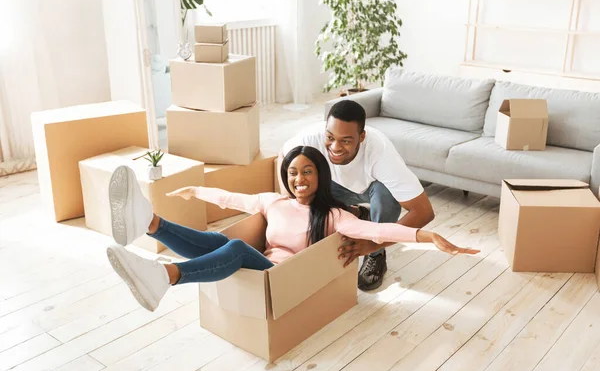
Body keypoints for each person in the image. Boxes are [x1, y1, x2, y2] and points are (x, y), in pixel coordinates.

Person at [106, 146, 478, 312]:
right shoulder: (274, 202)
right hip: (262, 266)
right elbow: (233, 199)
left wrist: (427, 235)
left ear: (320, 175)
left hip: (285, 280)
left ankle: (166, 276)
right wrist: (196, 190)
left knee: (233, 250)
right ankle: (150, 222)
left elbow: (378, 230)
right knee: (224, 241)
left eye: (307, 171)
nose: (298, 178)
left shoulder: (334, 216)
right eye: (292, 172)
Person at [279, 100, 435, 291]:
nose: (335, 147)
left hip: (371, 192)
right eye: (330, 137)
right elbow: (284, 156)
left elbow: (424, 212)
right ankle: (358, 214)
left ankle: (377, 256)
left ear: (361, 136)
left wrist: (372, 244)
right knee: (305, 180)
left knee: (386, 192)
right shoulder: (311, 138)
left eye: (345, 140)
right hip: (333, 188)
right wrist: (291, 204)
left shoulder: (381, 154)